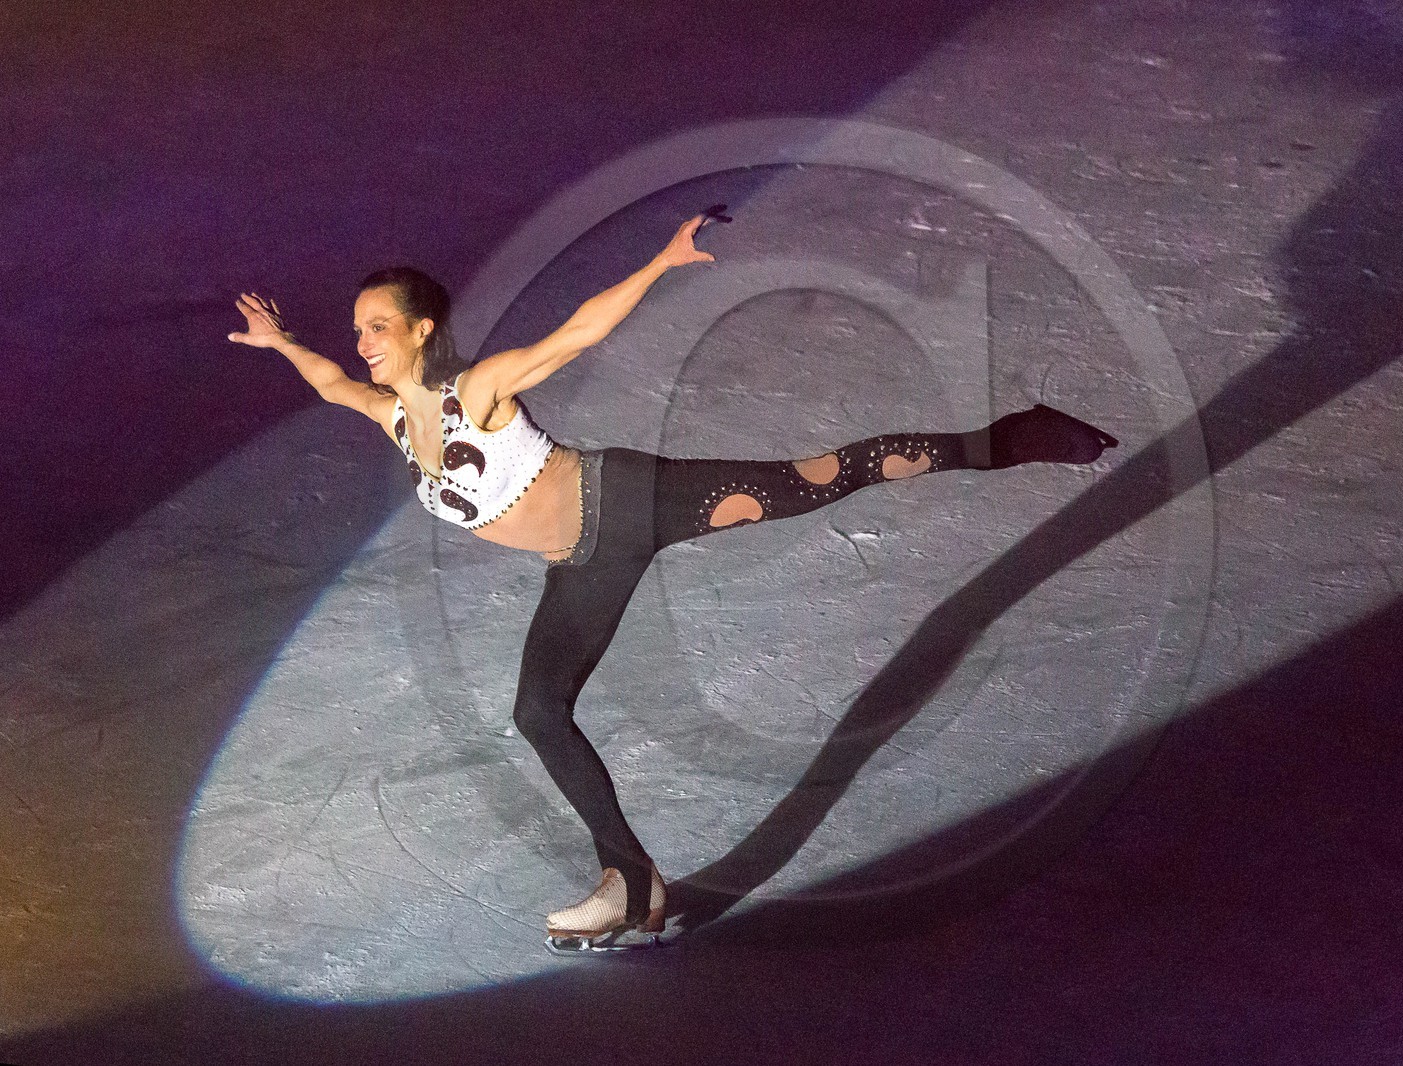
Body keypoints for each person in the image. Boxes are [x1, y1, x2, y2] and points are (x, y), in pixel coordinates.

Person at [228, 208, 1118, 952]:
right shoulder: (393, 416)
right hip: (578, 566)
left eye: (376, 326)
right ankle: (631, 880)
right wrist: (280, 342)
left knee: (818, 478)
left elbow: (580, 330)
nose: (362, 344)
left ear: (423, 328)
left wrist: (660, 259)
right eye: (358, 331)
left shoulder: (480, 390)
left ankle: (1011, 437)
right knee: (538, 712)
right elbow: (329, 383)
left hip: (632, 500)